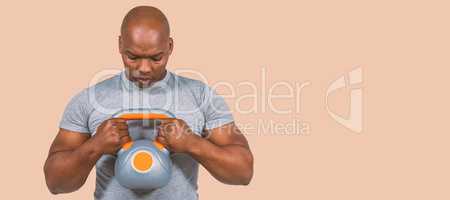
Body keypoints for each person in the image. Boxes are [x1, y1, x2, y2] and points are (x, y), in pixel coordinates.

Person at [43, 6, 253, 200]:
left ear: (170, 46)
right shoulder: (89, 99)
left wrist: (192, 143)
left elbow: (243, 173)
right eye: (132, 57)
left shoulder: (201, 96)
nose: (144, 68)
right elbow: (55, 183)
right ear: (119, 45)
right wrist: (95, 146)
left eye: (156, 58)